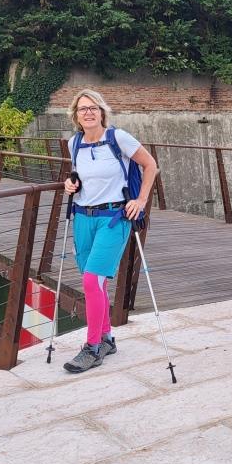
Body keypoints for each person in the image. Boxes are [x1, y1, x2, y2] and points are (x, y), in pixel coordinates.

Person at [62, 89, 158, 373]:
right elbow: (80, 176)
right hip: (83, 217)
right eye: (83, 109)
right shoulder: (74, 143)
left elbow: (150, 165)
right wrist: (70, 184)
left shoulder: (119, 138)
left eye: (93, 108)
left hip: (114, 218)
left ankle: (92, 347)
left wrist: (141, 200)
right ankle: (106, 338)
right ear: (76, 115)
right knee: (97, 282)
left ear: (102, 112)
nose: (88, 113)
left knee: (92, 280)